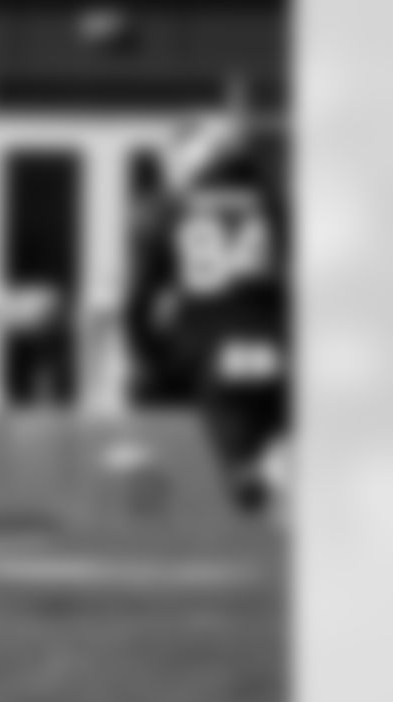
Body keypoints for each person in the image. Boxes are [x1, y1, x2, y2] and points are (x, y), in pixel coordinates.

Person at [123, 111, 291, 517]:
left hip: (211, 354)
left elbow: (137, 306)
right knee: (282, 460)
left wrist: (153, 363)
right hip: (279, 347)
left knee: (248, 483)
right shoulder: (277, 207)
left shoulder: (167, 211)